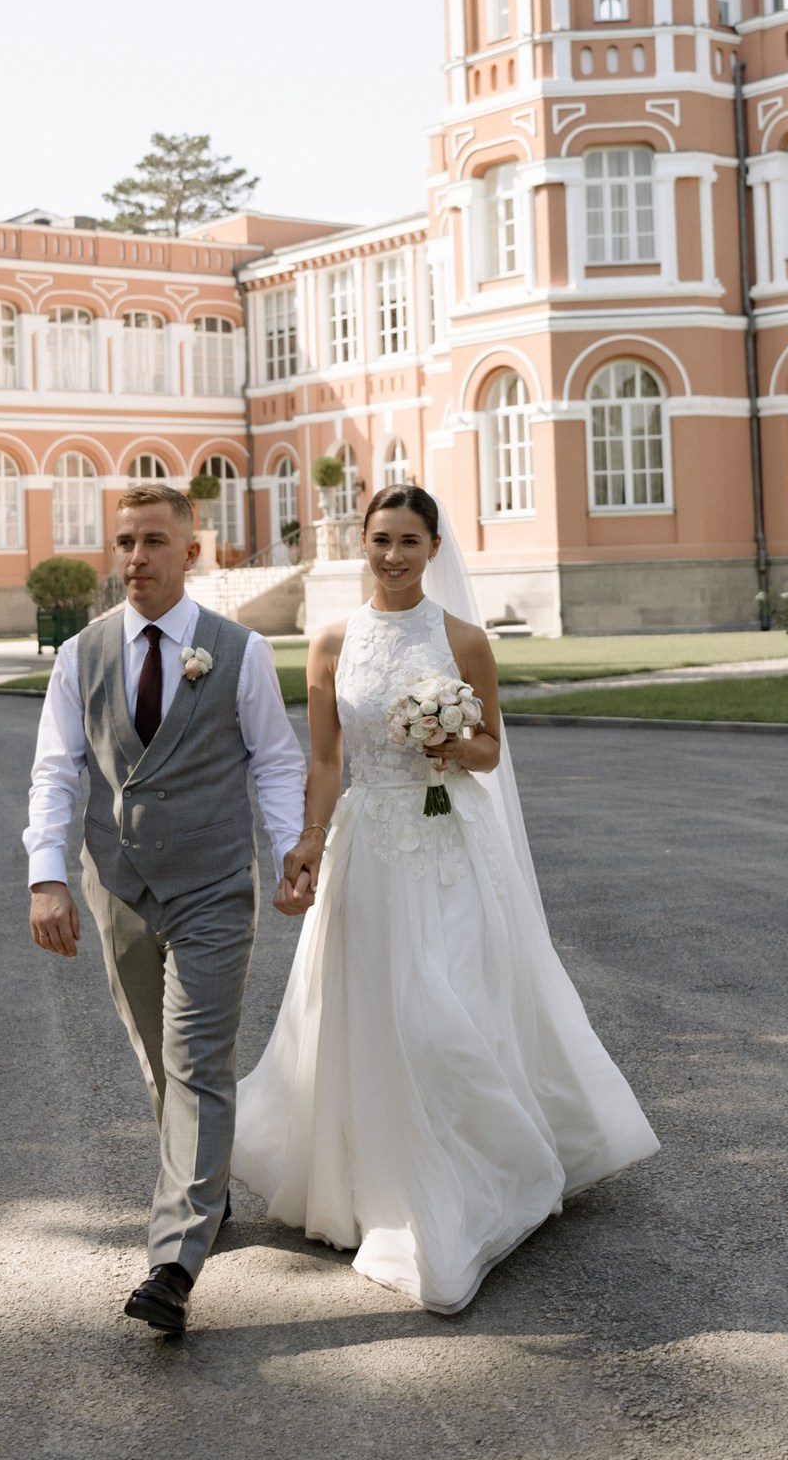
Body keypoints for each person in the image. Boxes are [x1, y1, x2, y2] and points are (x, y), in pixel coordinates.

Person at [233, 483, 659, 1315]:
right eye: (379, 539)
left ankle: (477, 1179)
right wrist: (309, 840)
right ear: (362, 543)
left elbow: (491, 750)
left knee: (444, 1006)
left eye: (408, 541)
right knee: (374, 1010)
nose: (391, 555)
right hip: (370, 848)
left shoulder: (463, 638)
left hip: (450, 845)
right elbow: (326, 760)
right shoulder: (329, 641)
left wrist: (448, 740)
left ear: (433, 548)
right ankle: (382, 1186)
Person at [25, 481, 318, 1336]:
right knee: (160, 1060)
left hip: (212, 884)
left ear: (192, 552)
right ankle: (204, 1191)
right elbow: (56, 770)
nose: (135, 557)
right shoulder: (80, 654)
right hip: (117, 884)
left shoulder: (239, 650)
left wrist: (290, 850)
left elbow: (275, 761)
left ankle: (173, 1264)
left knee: (195, 1060)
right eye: (124, 541)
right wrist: (46, 876)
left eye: (154, 541)